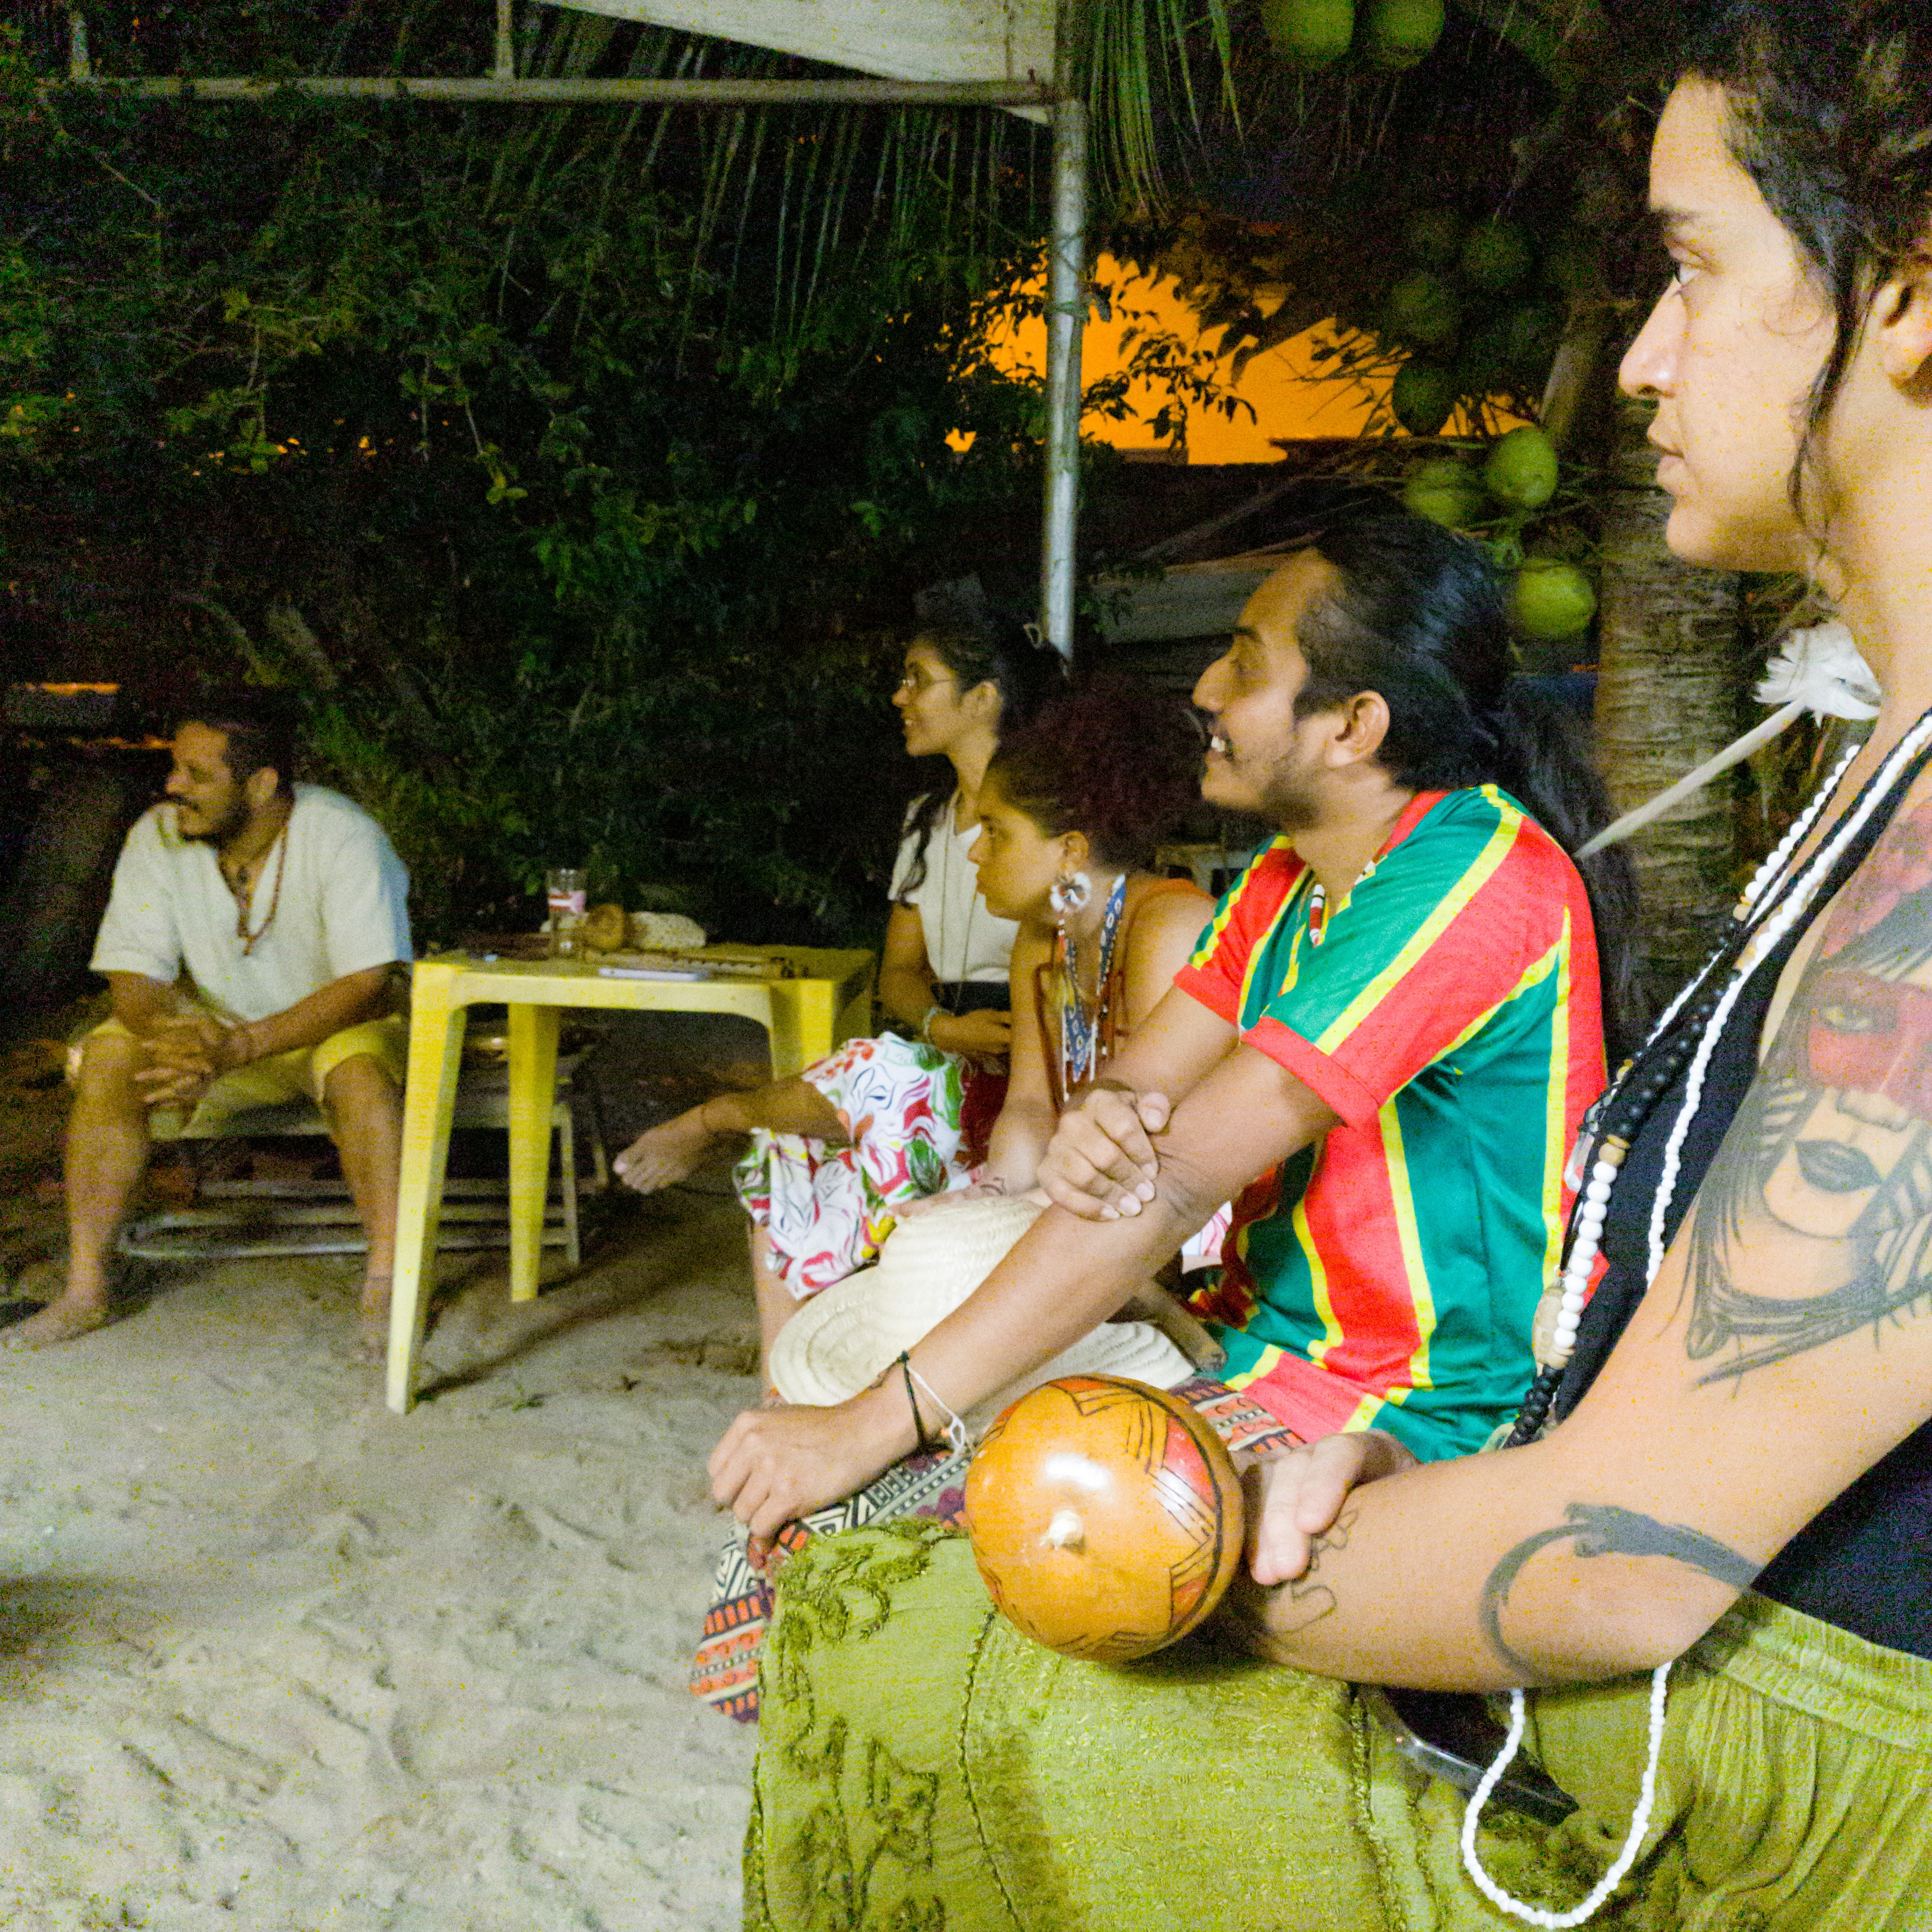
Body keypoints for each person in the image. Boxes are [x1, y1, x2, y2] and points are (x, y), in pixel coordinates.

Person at [738, 5, 1932, 1927]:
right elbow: (1143, 1140)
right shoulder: (1874, 779)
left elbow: (1625, 1557)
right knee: (901, 1583)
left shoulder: (1495, 874)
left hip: (1766, 1780)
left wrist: (1153, 1551)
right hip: (1538, 1558)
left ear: (1911, 290)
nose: (1639, 357)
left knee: (910, 1638)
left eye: (1693, 268)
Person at [711, 512, 1633, 1537]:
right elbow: (1133, 1093)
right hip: (1247, 1349)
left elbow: (1180, 1177)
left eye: (1244, 665)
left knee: (879, 1532)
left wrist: (872, 1423)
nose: (1205, 690)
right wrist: (1103, 1120)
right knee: (836, 1520)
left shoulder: (1469, 880)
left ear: (1352, 727)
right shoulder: (1284, 881)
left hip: (1416, 1412)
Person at [692, 676, 1213, 1720]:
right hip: (1080, 1198)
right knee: (860, 1197)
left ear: (1070, 851)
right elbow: (1029, 1113)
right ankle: (854, 1407)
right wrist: (980, 1211)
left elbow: (1182, 1149)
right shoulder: (1043, 942)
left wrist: (1041, 1225)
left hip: (1176, 1220)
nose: (973, 853)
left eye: (997, 833)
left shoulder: (1173, 925)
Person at [613, 602, 1062, 1369]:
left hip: (1023, 1056)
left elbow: (1069, 956)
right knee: (794, 1140)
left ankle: (716, 1119)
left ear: (983, 696)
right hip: (941, 1046)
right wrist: (941, 1027)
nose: (899, 696)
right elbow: (899, 973)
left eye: (918, 679)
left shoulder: (1045, 815)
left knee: (888, 1083)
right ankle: (785, 1379)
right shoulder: (927, 822)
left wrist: (988, 1037)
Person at [15, 690, 412, 1355]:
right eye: (175, 768)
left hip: (331, 1028)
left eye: (196, 775)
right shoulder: (158, 835)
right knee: (110, 1057)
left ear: (261, 784)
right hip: (211, 1037)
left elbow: (366, 983)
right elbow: (133, 975)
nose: (173, 786)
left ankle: (387, 1285)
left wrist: (246, 1043)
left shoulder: (345, 835)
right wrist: (176, 1036)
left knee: (361, 1075)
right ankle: (85, 1291)